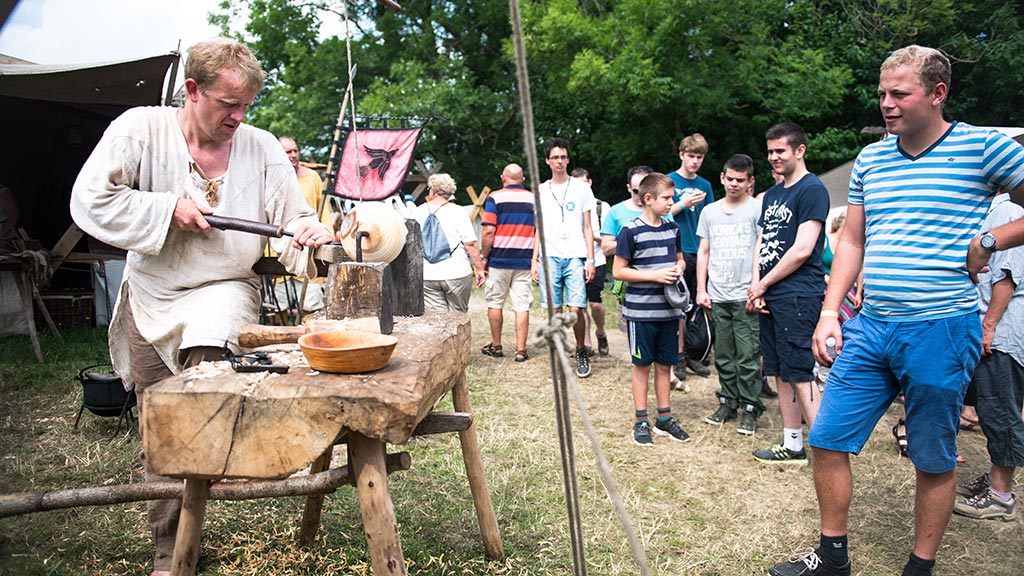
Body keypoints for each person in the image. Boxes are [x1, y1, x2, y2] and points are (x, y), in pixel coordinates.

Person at [69, 38, 335, 576]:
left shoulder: (260, 148)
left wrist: (308, 231)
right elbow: (90, 200)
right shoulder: (140, 129)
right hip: (152, 293)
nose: (239, 117)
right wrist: (167, 209)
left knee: (202, 393)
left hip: (224, 288)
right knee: (159, 428)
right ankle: (171, 552)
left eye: (246, 106)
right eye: (228, 105)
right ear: (191, 91)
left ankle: (229, 459)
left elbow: (294, 219)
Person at [770, 46, 1024, 576]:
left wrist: (990, 239)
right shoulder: (872, 159)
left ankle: (920, 566)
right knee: (827, 438)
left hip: (941, 329)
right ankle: (833, 557)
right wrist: (828, 312)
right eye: (882, 92)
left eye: (899, 93)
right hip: (873, 325)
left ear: (937, 94)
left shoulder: (984, 147)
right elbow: (854, 242)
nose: (886, 103)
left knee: (931, 455)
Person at [748, 122, 829, 466]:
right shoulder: (774, 193)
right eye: (769, 151)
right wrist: (756, 285)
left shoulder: (812, 190)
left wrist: (764, 284)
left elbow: (802, 248)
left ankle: (828, 448)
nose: (773, 157)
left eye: (780, 150)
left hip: (798, 294)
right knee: (780, 370)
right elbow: (762, 243)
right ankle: (792, 444)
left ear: (800, 150)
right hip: (770, 294)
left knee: (800, 371)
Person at [954, 189, 1024, 522]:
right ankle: (995, 481)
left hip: (1003, 331)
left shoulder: (1008, 211)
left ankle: (1001, 496)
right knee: (989, 406)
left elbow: (1007, 275)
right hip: (993, 325)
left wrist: (989, 326)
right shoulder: (996, 208)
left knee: (1000, 410)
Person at [613, 172, 689, 446]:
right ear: (648, 198)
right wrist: (654, 276)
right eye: (667, 198)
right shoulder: (630, 231)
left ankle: (665, 419)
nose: (672, 202)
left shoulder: (672, 228)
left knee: (665, 365)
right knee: (641, 365)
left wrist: (678, 268)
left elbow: (680, 260)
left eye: (672, 197)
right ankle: (641, 420)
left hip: (669, 312)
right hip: (640, 314)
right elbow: (619, 271)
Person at [695, 154, 765, 435]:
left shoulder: (757, 209)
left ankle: (750, 407)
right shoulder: (709, 212)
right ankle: (728, 402)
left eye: (740, 180)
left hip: (745, 293)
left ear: (750, 181)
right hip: (717, 294)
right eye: (729, 179)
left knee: (748, 356)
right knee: (723, 354)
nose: (734, 184)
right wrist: (701, 289)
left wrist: (757, 288)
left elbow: (761, 251)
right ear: (722, 177)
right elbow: (703, 252)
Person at [531, 137, 597, 378]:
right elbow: (538, 228)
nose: (559, 161)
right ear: (548, 161)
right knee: (554, 312)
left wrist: (590, 259)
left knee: (577, 309)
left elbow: (588, 227)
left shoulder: (582, 188)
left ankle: (580, 350)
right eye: (555, 157)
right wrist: (534, 259)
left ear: (568, 159)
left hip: (575, 256)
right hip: (550, 257)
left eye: (563, 157)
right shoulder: (540, 190)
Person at [268, 136, 332, 314]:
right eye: (288, 152)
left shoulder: (312, 178)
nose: (293, 155)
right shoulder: (272, 178)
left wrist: (328, 236)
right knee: (277, 311)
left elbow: (323, 210)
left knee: (312, 308)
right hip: (279, 251)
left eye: (295, 151)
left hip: (307, 247)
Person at [668, 133, 714, 379]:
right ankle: (678, 357)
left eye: (699, 157)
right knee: (677, 305)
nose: (695, 161)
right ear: (681, 155)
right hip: (678, 250)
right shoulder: (669, 181)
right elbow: (661, 214)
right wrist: (682, 204)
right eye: (691, 156)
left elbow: (712, 219)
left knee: (698, 304)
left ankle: (695, 355)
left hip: (701, 250)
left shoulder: (705, 185)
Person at [480, 163, 535, 362]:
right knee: (522, 305)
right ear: (523, 180)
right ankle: (521, 350)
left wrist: (484, 256)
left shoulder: (495, 197)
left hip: (499, 258)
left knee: (495, 302)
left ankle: (496, 345)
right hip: (525, 259)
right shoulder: (533, 199)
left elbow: (488, 230)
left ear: (503, 178)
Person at [414, 173, 486, 313]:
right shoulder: (458, 211)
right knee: (458, 316)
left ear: (433, 190)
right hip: (456, 272)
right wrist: (480, 269)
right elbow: (470, 244)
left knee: (437, 319)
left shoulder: (418, 211)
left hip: (428, 274)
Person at [572, 167, 611, 357]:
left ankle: (601, 332)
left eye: (583, 183)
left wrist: (591, 236)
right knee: (580, 304)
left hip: (597, 260)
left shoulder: (602, 207)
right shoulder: (570, 206)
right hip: (576, 260)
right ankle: (586, 345)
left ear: (590, 183)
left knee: (595, 304)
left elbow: (608, 238)